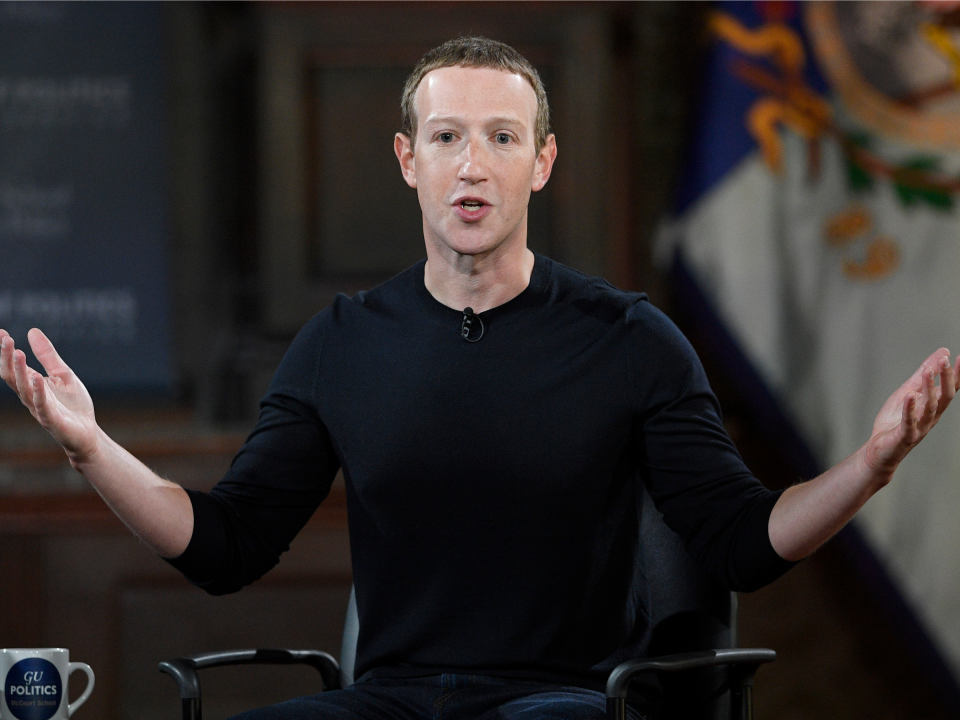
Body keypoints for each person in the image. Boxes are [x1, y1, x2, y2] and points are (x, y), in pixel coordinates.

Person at [0, 37, 957, 720]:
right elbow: (223, 547)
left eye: (502, 138)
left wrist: (869, 465)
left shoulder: (630, 339)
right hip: (390, 699)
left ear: (541, 163)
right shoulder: (340, 342)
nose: (474, 165)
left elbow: (744, 544)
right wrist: (90, 446)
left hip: (566, 700)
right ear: (408, 161)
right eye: (448, 138)